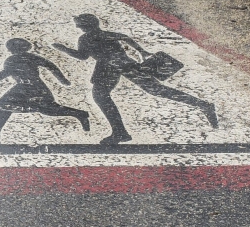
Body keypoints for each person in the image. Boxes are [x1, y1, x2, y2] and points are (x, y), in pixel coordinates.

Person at [53, 14, 217, 145]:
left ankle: (120, 132)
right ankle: (203, 104)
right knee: (154, 90)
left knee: (102, 95)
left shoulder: (86, 38)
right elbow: (124, 37)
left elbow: (81, 56)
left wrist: (64, 49)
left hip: (109, 66)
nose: (77, 26)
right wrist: (141, 51)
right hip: (123, 63)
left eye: (79, 24)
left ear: (85, 25)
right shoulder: (103, 34)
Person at [0, 38, 90, 147]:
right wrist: (62, 79)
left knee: (47, 109)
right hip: (32, 87)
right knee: (7, 106)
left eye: (10, 48)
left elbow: (5, 73)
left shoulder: (12, 59)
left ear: (12, 49)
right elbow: (51, 66)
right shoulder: (32, 57)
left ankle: (79, 113)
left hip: (28, 88)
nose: (9, 50)